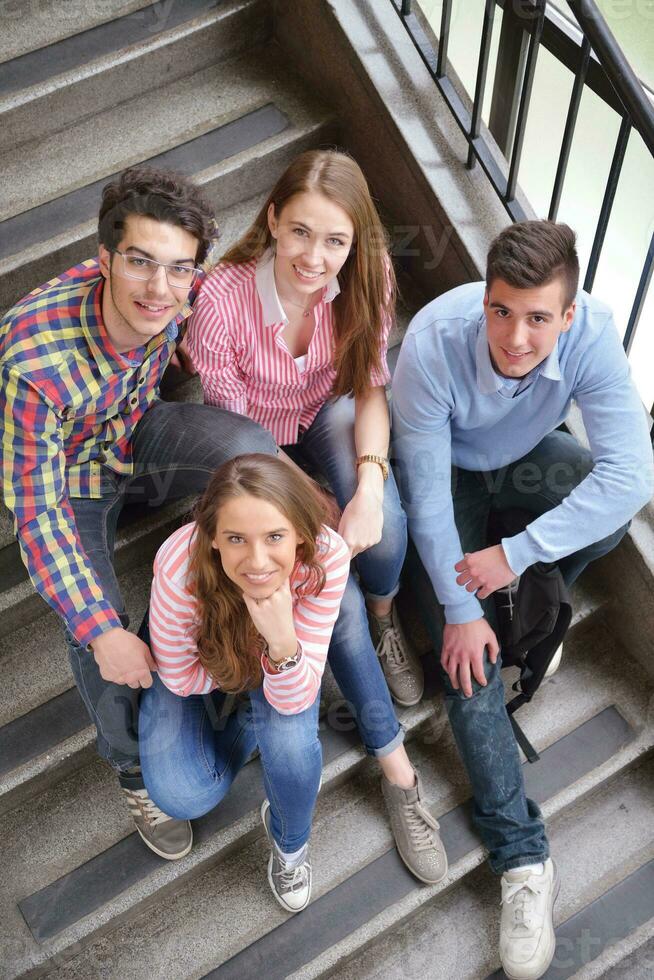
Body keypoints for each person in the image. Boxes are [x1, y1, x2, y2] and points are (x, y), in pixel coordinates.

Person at [391, 219, 654, 980]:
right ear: (485, 301)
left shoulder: (594, 333)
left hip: (527, 469)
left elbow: (631, 480)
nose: (515, 336)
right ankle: (522, 855)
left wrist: (514, 557)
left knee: (591, 489)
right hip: (447, 479)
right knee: (468, 660)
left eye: (539, 317)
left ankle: (534, 616)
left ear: (568, 316)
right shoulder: (435, 343)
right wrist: (465, 609)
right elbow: (432, 504)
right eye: (501, 311)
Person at [0, 165, 277, 861]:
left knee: (249, 453)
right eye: (141, 263)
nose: (160, 288)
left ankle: (226, 610)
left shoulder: (182, 292)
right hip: (72, 483)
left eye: (179, 269)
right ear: (104, 260)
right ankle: (132, 766)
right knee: (94, 624)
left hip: (136, 433)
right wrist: (100, 630)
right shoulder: (32, 361)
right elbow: (35, 513)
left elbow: (247, 274)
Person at [184, 148, 424, 708]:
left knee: (382, 524)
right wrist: (312, 498)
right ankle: (352, 632)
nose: (315, 258)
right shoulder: (220, 300)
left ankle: (384, 614)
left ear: (355, 243)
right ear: (272, 220)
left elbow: (369, 387)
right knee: (320, 533)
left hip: (326, 405)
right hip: (253, 434)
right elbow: (240, 432)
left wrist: (368, 484)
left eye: (335, 241)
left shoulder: (370, 275)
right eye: (299, 232)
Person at [138, 453, 351, 911]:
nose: (257, 562)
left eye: (275, 536)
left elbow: (294, 700)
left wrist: (278, 640)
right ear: (213, 537)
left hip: (280, 652)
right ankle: (256, 721)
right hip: (205, 659)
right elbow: (181, 677)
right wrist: (240, 658)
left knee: (293, 746)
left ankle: (290, 846)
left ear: (299, 534)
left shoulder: (327, 558)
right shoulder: (179, 571)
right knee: (184, 793)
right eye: (237, 538)